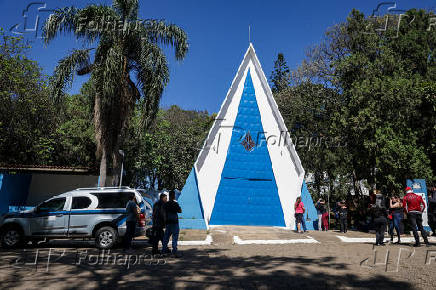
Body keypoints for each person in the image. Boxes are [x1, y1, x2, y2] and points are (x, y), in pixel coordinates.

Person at [162, 190, 182, 256]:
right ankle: (174, 252)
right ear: (173, 196)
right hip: (174, 222)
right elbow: (180, 211)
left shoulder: (166, 204)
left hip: (168, 222)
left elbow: (164, 213)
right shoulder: (175, 203)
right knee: (175, 237)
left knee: (166, 237)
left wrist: (165, 222)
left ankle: (164, 251)